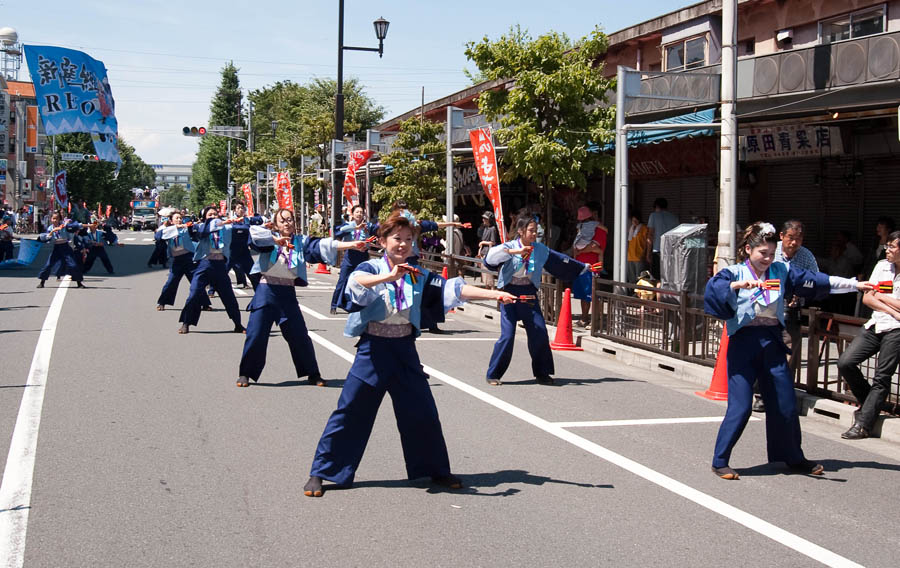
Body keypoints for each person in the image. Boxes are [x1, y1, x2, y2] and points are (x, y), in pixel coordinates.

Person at [303, 214, 516, 497]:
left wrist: (496, 296)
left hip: (405, 350)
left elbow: (453, 288)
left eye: (407, 239)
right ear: (382, 241)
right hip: (372, 350)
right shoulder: (371, 266)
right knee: (351, 411)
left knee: (423, 412)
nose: (403, 244)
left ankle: (436, 469)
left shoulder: (417, 273)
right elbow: (357, 284)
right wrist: (389, 276)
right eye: (396, 239)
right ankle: (322, 472)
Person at [703, 221, 871, 480]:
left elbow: (815, 280)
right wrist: (736, 287)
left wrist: (854, 285)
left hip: (772, 341)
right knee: (741, 407)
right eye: (762, 253)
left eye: (771, 253)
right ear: (748, 249)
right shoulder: (734, 272)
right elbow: (714, 290)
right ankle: (720, 460)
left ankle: (793, 457)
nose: (768, 259)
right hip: (743, 344)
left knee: (785, 403)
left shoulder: (781, 270)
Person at [238, 208, 366, 388]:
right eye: (282, 221)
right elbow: (253, 234)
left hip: (287, 294)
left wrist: (352, 245)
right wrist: (275, 239)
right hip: (267, 291)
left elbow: (324, 244)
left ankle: (313, 374)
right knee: (256, 333)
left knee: (299, 335)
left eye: (290, 220)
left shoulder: (300, 241)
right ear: (275, 224)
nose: (287, 223)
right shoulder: (268, 239)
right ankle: (245, 373)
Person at [483, 214, 589, 386]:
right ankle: (493, 373)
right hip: (509, 294)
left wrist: (582, 267)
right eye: (531, 231)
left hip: (529, 293)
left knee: (539, 332)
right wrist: (514, 252)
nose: (534, 234)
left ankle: (542, 373)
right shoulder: (509, 246)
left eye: (536, 231)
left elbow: (560, 260)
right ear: (521, 231)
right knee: (507, 336)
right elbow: (490, 258)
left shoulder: (540, 249)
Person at [837, 230, 900, 440]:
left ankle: (863, 424)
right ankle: (869, 405)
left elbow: (877, 296)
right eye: (887, 246)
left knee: (882, 376)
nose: (887, 250)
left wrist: (881, 296)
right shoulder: (882, 266)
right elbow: (867, 299)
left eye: (892, 247)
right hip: (876, 323)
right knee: (845, 362)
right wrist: (891, 307)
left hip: (897, 330)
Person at [753, 219, 819, 412]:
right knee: (765, 351)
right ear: (782, 236)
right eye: (791, 237)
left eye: (798, 239)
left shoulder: (806, 256)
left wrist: (800, 293)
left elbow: (815, 279)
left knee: (788, 354)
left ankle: (781, 395)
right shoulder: (770, 251)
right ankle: (761, 394)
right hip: (766, 309)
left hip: (791, 311)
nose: (794, 242)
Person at [177, 206, 244, 334]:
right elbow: (201, 233)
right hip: (205, 264)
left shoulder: (226, 227)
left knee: (229, 296)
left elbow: (243, 229)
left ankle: (238, 324)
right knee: (194, 294)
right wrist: (216, 223)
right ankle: (186, 323)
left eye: (215, 214)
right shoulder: (201, 227)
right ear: (204, 217)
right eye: (210, 215)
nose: (213, 217)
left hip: (219, 265)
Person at [155, 212, 211, 311]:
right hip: (176, 260)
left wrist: (194, 225)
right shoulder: (169, 230)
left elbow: (198, 231)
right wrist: (174, 228)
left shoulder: (187, 228)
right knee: (171, 282)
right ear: (171, 221)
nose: (179, 220)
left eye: (180, 218)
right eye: (176, 218)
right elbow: (158, 236)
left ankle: (205, 303)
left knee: (196, 282)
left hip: (189, 259)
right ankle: (162, 302)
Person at [330, 204, 378, 314]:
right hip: (350, 256)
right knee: (342, 281)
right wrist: (355, 227)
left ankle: (359, 306)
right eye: (357, 212)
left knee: (362, 283)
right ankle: (334, 305)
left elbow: (375, 234)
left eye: (361, 212)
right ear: (353, 213)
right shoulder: (349, 225)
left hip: (362, 257)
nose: (359, 214)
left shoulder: (367, 226)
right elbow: (339, 231)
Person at [572, 205, 607, 328]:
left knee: (592, 294)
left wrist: (580, 252)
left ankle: (595, 320)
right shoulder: (581, 229)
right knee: (583, 294)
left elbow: (595, 248)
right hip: (580, 266)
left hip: (593, 266)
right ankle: (584, 317)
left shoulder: (600, 230)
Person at [36, 211, 86, 289]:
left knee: (73, 265)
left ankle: (79, 283)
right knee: (48, 265)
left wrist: (89, 225)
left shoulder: (64, 226)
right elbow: (47, 238)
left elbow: (76, 226)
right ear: (51, 219)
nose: (55, 220)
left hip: (65, 247)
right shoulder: (50, 228)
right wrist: (52, 231)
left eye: (57, 219)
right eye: (53, 218)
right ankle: (42, 282)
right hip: (57, 247)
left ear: (60, 219)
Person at [226, 201, 264, 290]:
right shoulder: (231, 220)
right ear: (234, 210)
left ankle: (259, 291)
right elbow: (235, 228)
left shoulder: (247, 219)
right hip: (232, 250)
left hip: (244, 250)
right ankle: (212, 289)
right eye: (238, 208)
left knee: (253, 272)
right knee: (224, 271)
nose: (241, 210)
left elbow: (260, 220)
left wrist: (253, 214)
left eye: (242, 208)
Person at [647, 197, 679, 279]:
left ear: (656, 206)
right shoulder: (674, 218)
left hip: (657, 251)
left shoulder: (653, 216)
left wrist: (648, 253)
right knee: (669, 277)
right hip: (671, 251)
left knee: (657, 278)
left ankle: (658, 292)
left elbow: (650, 235)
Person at [626, 209, 650, 286]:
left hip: (639, 256)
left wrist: (646, 254)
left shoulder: (644, 228)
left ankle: (639, 294)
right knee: (631, 278)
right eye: (633, 219)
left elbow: (647, 242)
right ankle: (632, 293)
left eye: (636, 219)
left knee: (640, 278)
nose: (634, 221)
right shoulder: (630, 229)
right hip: (630, 256)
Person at [476, 211, 500, 289]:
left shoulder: (492, 229)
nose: (483, 220)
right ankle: (486, 286)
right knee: (483, 270)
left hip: (488, 252)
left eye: (485, 218)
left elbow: (493, 242)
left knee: (488, 270)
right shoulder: (485, 228)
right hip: (483, 251)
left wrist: (483, 242)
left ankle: (491, 286)